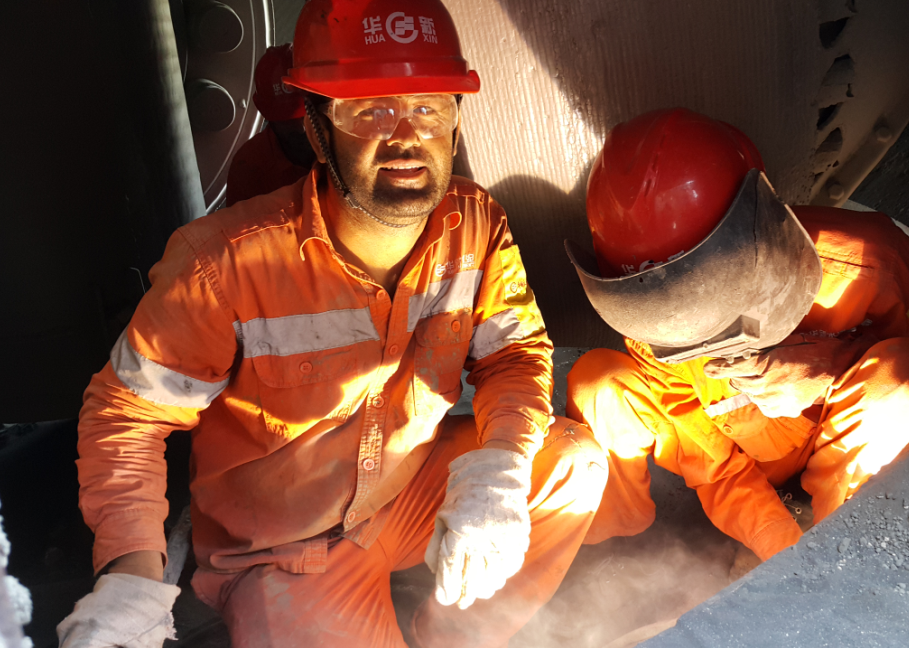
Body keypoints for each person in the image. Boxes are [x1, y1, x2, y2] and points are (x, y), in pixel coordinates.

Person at [57, 1, 607, 646]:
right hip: (285, 550)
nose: (405, 136)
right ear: (319, 133)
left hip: (404, 494)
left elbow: (512, 356)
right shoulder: (223, 263)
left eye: (428, 108)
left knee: (571, 462)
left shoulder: (476, 224)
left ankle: (454, 636)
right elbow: (128, 416)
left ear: (456, 123)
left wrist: (502, 469)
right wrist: (130, 575)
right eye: (369, 111)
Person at [565, 108, 909, 565]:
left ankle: (847, 545)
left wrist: (830, 368)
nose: (687, 332)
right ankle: (600, 541)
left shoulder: (868, 260)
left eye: (694, 290)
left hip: (849, 453)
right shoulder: (652, 326)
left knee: (900, 379)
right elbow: (716, 469)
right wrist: (784, 553)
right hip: (757, 462)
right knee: (598, 380)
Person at [225, 44, 316, 206]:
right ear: (266, 113)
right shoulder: (249, 167)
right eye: (286, 120)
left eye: (307, 115)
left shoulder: (348, 146)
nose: (301, 128)